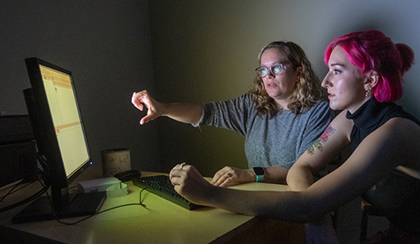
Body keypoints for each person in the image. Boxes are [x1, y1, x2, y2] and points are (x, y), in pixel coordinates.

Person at [169, 30, 420, 244]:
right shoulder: (347, 120)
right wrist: (317, 218)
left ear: (371, 80)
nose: (325, 81)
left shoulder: (395, 133)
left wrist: (210, 195)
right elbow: (300, 168)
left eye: (337, 71)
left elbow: (309, 203)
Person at [132, 41, 334, 187]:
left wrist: (249, 174)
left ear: (298, 73)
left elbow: (300, 171)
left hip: (301, 203)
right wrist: (164, 109)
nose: (268, 75)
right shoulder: (253, 105)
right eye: (263, 70)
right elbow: (205, 113)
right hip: (260, 198)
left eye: (277, 68)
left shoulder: (318, 112)